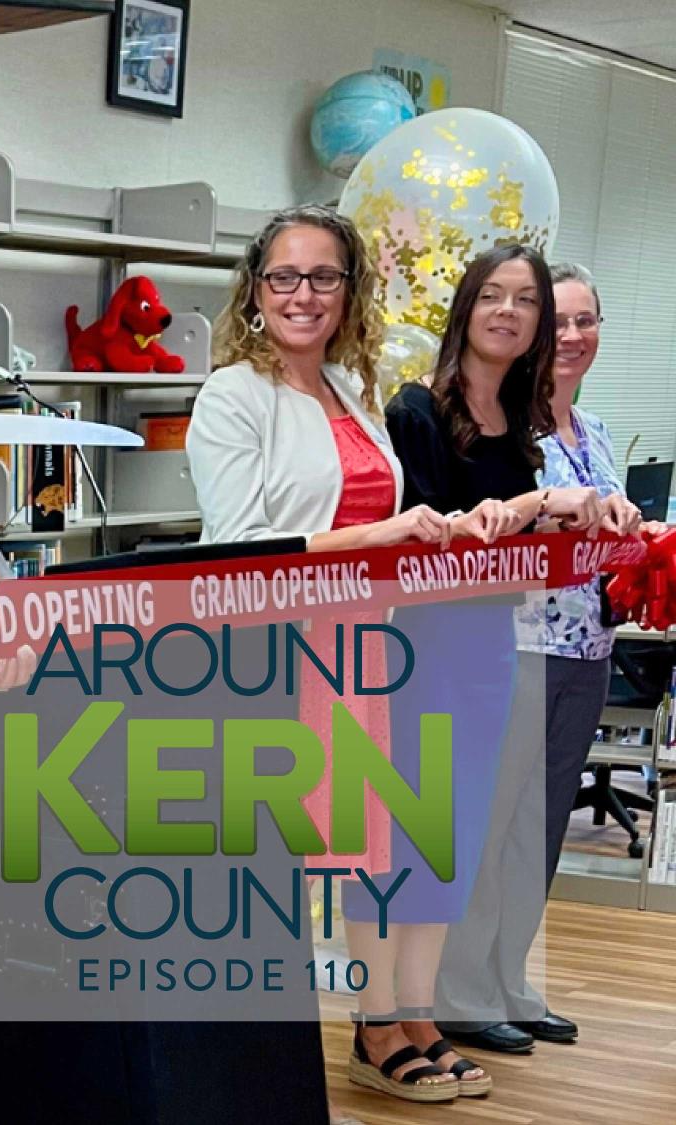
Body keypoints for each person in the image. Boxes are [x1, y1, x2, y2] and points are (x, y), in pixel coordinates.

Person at [188, 204, 459, 1108]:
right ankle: (262, 1057)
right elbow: (237, 548)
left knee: (362, 850)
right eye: (283, 278)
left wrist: (457, 528)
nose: (303, 295)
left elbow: (381, 521)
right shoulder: (233, 393)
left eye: (324, 277)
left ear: (351, 291)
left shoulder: (352, 387)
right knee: (283, 861)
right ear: (255, 292)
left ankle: (371, 1023)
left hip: (360, 645)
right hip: (273, 655)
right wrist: (383, 533)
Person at [368, 244, 607, 1083]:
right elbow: (423, 536)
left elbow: (510, 552)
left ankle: (420, 1010)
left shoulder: (521, 421)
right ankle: (378, 1020)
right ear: (466, 306)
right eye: (494, 296)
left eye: (526, 301)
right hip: (419, 645)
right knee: (405, 831)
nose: (509, 312)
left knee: (457, 838)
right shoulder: (415, 411)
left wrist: (579, 526)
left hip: (489, 645)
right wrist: (536, 507)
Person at [444, 263, 649, 1053]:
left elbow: (604, 539)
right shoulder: (504, 427)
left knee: (541, 829)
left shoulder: (591, 431)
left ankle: (510, 982)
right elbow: (479, 531)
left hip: (587, 647)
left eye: (585, 321)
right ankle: (460, 991)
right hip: (516, 643)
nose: (571, 336)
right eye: (555, 320)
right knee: (492, 826)